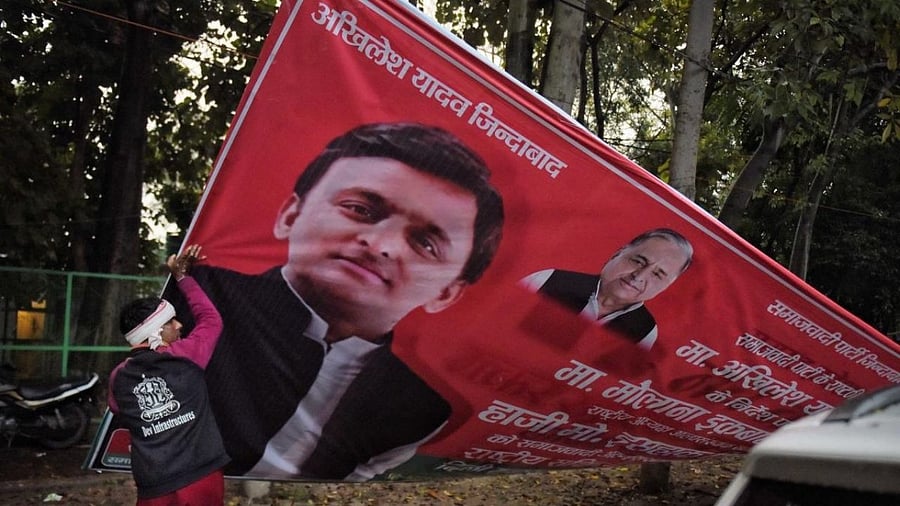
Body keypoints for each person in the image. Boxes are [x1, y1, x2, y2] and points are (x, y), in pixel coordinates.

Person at [165, 122, 505, 480]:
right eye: (359, 209)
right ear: (290, 216)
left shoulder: (422, 411)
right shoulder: (198, 304)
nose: (380, 244)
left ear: (446, 292)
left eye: (426, 243)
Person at [107, 245, 230, 505]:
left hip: (153, 486)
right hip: (200, 479)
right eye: (171, 321)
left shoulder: (118, 378)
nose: (179, 325)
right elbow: (210, 319)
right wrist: (182, 277)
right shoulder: (187, 355)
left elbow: (118, 410)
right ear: (155, 332)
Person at [519, 228, 693, 349]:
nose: (639, 277)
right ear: (618, 253)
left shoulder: (645, 332)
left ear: (667, 286)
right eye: (638, 261)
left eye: (658, 274)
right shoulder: (548, 280)